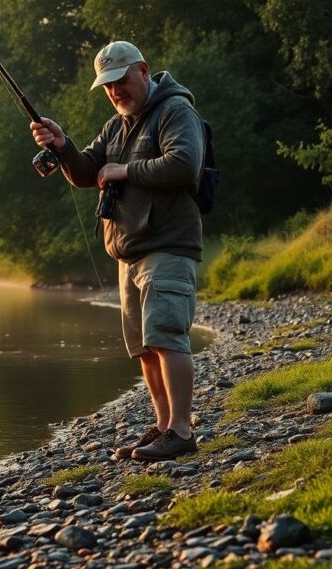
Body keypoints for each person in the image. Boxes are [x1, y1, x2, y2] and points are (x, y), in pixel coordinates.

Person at [30, 41, 204, 461]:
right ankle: (163, 426)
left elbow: (185, 163)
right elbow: (88, 172)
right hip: (129, 252)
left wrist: (125, 169)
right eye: (108, 86)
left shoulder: (176, 111)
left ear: (143, 70)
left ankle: (182, 430)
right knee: (144, 348)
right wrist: (62, 144)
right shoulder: (116, 126)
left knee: (166, 336)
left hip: (168, 244)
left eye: (121, 81)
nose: (115, 91)